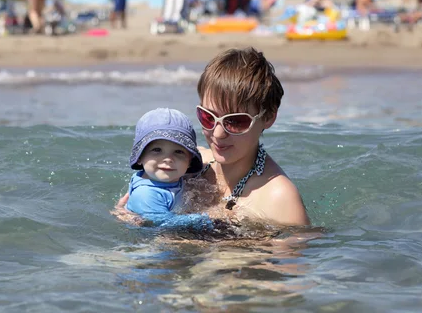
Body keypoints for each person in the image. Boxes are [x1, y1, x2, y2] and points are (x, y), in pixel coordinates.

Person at [117, 47, 310, 227]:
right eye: (208, 117)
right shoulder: (189, 164)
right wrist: (128, 215)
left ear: (268, 118)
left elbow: (292, 261)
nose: (218, 133)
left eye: (235, 121)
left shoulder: (279, 198)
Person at [127, 108, 203, 217]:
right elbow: (165, 224)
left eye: (178, 151)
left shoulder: (178, 179)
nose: (168, 159)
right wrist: (207, 218)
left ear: (190, 160)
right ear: (139, 156)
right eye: (157, 150)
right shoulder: (145, 194)